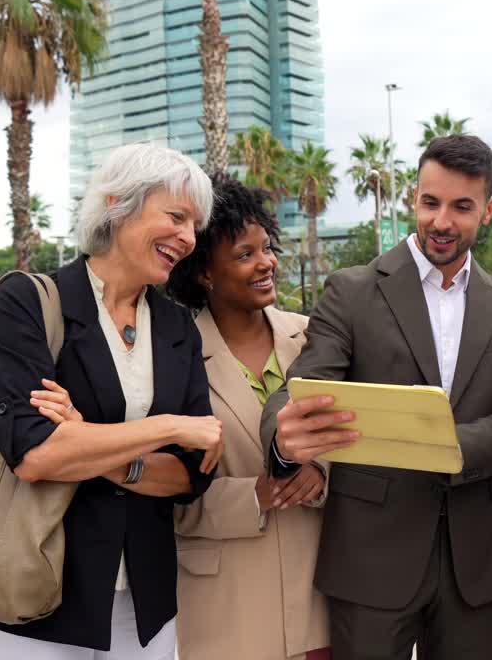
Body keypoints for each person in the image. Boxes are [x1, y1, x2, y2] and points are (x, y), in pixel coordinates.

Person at [261, 134, 492, 660]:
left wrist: (443, 446)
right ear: (412, 199)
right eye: (430, 202)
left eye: (462, 206)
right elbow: (299, 389)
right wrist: (283, 440)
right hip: (370, 557)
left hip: (476, 560)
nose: (442, 220)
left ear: (487, 211)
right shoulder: (351, 291)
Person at [0, 143, 225, 659]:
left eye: (194, 226)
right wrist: (169, 428)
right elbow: (35, 457)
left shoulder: (178, 326)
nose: (187, 237)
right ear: (118, 204)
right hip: (40, 595)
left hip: (146, 603)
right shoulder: (29, 301)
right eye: (176, 216)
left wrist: (86, 440)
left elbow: (191, 474)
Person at [165, 181, 331, 660]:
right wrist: (254, 495)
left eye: (267, 248)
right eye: (244, 254)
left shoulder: (314, 340)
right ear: (204, 274)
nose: (266, 263)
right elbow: (166, 496)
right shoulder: (174, 358)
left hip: (317, 603)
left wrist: (323, 473)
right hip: (225, 612)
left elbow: (357, 442)